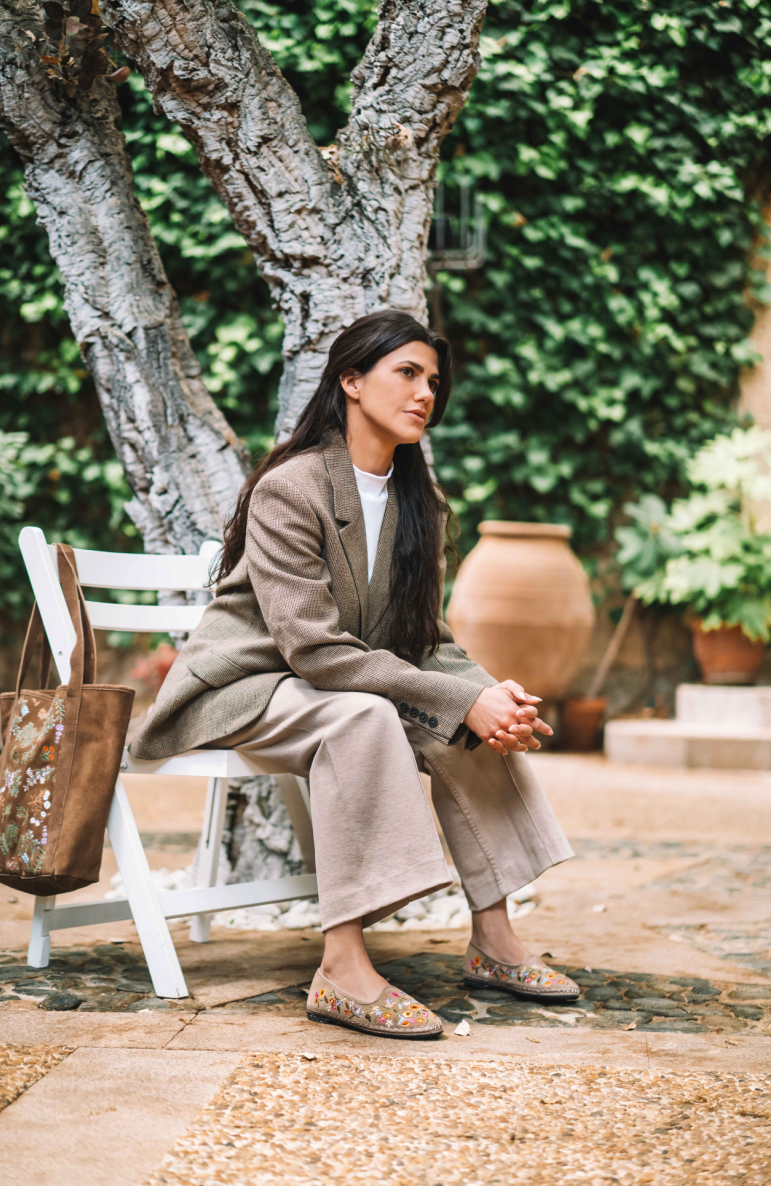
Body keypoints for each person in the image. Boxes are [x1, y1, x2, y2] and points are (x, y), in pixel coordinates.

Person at [131, 310, 578, 1039]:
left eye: (433, 380)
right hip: (249, 686)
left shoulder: (418, 502)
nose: (425, 392)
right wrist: (464, 698)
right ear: (350, 380)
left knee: (455, 723)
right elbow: (314, 651)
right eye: (407, 373)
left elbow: (425, 640)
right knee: (368, 714)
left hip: (336, 685)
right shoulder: (291, 487)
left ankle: (494, 941)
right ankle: (340, 964)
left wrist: (490, 697)